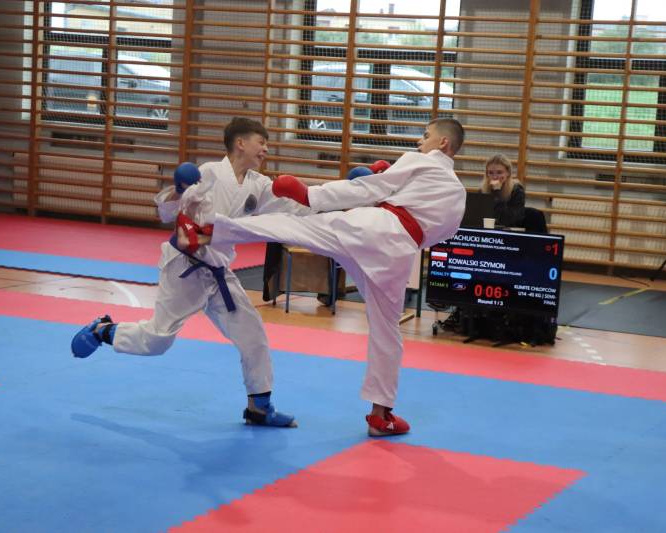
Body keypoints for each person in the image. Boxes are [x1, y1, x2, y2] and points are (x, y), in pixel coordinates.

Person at [179, 118, 467, 437]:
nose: (419, 142)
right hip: (399, 255)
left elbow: (369, 188)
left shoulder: (421, 161)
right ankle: (380, 415)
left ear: (443, 143)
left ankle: (207, 232)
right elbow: (439, 232)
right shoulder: (458, 193)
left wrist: (310, 195)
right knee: (387, 331)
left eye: (426, 136)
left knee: (296, 227)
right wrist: (391, 195)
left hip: (372, 229)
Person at [71, 117, 310, 428]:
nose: (265, 149)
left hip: (219, 273)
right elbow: (167, 212)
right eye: (260, 142)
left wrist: (341, 201)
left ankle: (259, 407)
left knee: (253, 336)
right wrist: (179, 191)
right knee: (157, 341)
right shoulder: (208, 174)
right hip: (184, 267)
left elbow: (295, 208)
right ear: (240, 143)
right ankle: (102, 330)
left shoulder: (259, 185)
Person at [480, 153, 524, 228]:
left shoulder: (517, 190)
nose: (495, 177)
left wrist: (497, 192)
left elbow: (509, 220)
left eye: (499, 172)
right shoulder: (483, 190)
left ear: (508, 173)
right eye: (490, 173)